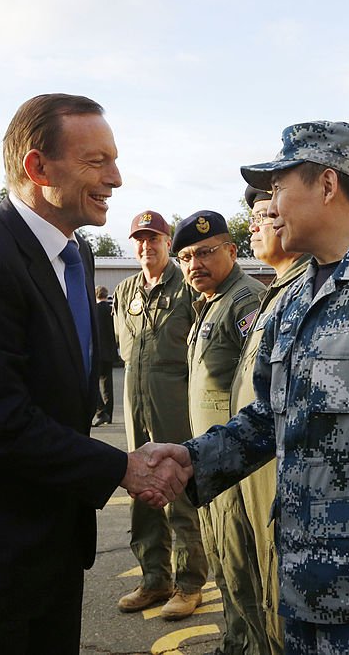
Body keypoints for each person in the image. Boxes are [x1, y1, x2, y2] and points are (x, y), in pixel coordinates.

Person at [0, 93, 189, 654]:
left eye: (114, 159)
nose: (116, 178)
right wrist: (124, 467)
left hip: (49, 539)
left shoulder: (75, 256)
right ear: (37, 167)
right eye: (96, 161)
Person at [155, 121, 349, 654]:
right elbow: (267, 416)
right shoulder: (295, 295)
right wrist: (190, 460)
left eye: (278, 188)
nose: (269, 206)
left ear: (327, 184)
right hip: (300, 575)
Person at [174, 209, 266, 652]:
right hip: (213, 462)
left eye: (206, 252)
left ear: (233, 250)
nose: (195, 264)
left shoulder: (245, 300)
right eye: (187, 257)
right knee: (223, 560)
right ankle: (236, 641)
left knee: (241, 563)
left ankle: (250, 644)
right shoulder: (212, 303)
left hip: (237, 464)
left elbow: (258, 388)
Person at [113, 210, 208, 619]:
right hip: (135, 405)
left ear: (169, 244)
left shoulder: (187, 287)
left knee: (178, 491)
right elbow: (124, 350)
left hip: (175, 407)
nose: (146, 246)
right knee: (141, 491)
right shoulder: (124, 290)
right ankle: (154, 579)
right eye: (140, 239)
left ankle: (189, 584)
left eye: (154, 239)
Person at [232, 185, 312, 654]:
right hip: (251, 466)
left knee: (281, 596)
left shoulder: (309, 290)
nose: (258, 225)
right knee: (262, 588)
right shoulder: (275, 292)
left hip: (282, 478)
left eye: (267, 214)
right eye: (257, 217)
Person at [92, 285, 115, 427]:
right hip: (110, 352)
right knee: (108, 385)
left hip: (98, 352)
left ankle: (101, 411)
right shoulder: (112, 310)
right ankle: (109, 413)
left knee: (93, 383)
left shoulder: (94, 310)